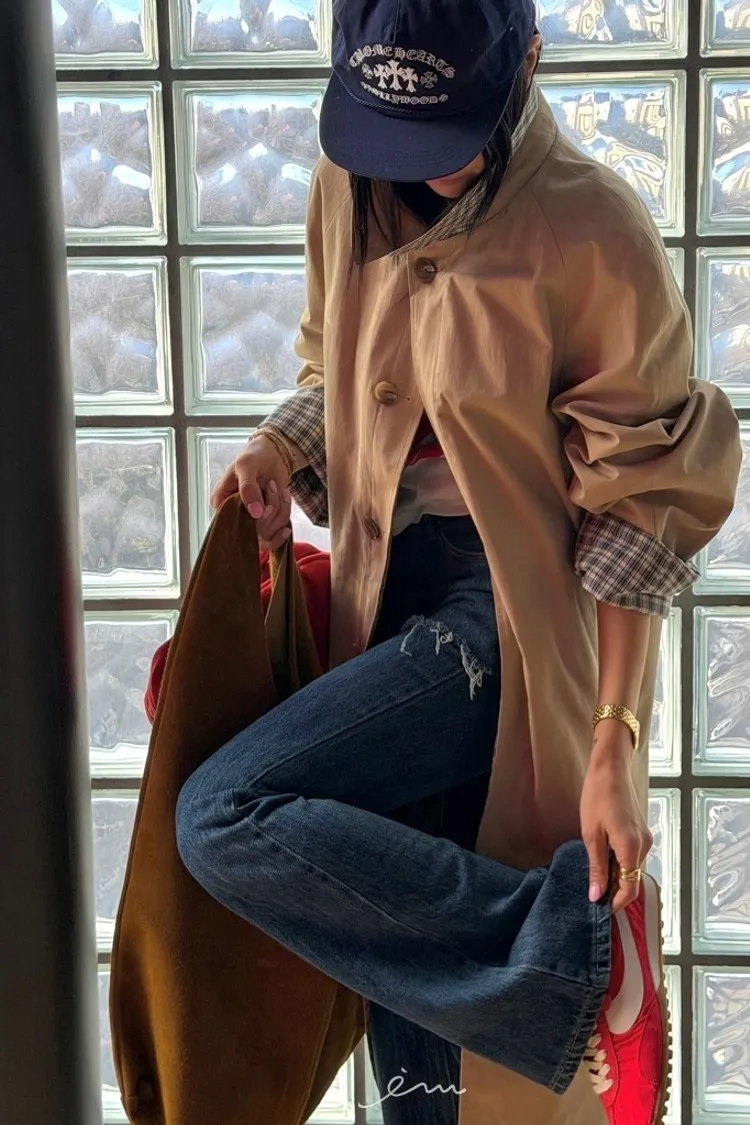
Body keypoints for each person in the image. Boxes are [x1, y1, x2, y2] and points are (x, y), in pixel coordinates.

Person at [174, 3, 742, 1124]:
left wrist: (616, 743)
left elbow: (637, 512)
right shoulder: (347, 185)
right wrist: (280, 447)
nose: (424, 165)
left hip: (503, 619)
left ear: (527, 59)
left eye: (450, 130)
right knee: (417, 1034)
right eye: (397, 132)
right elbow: (338, 370)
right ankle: (574, 960)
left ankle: (579, 952)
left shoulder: (591, 228)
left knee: (223, 812)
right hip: (381, 593)